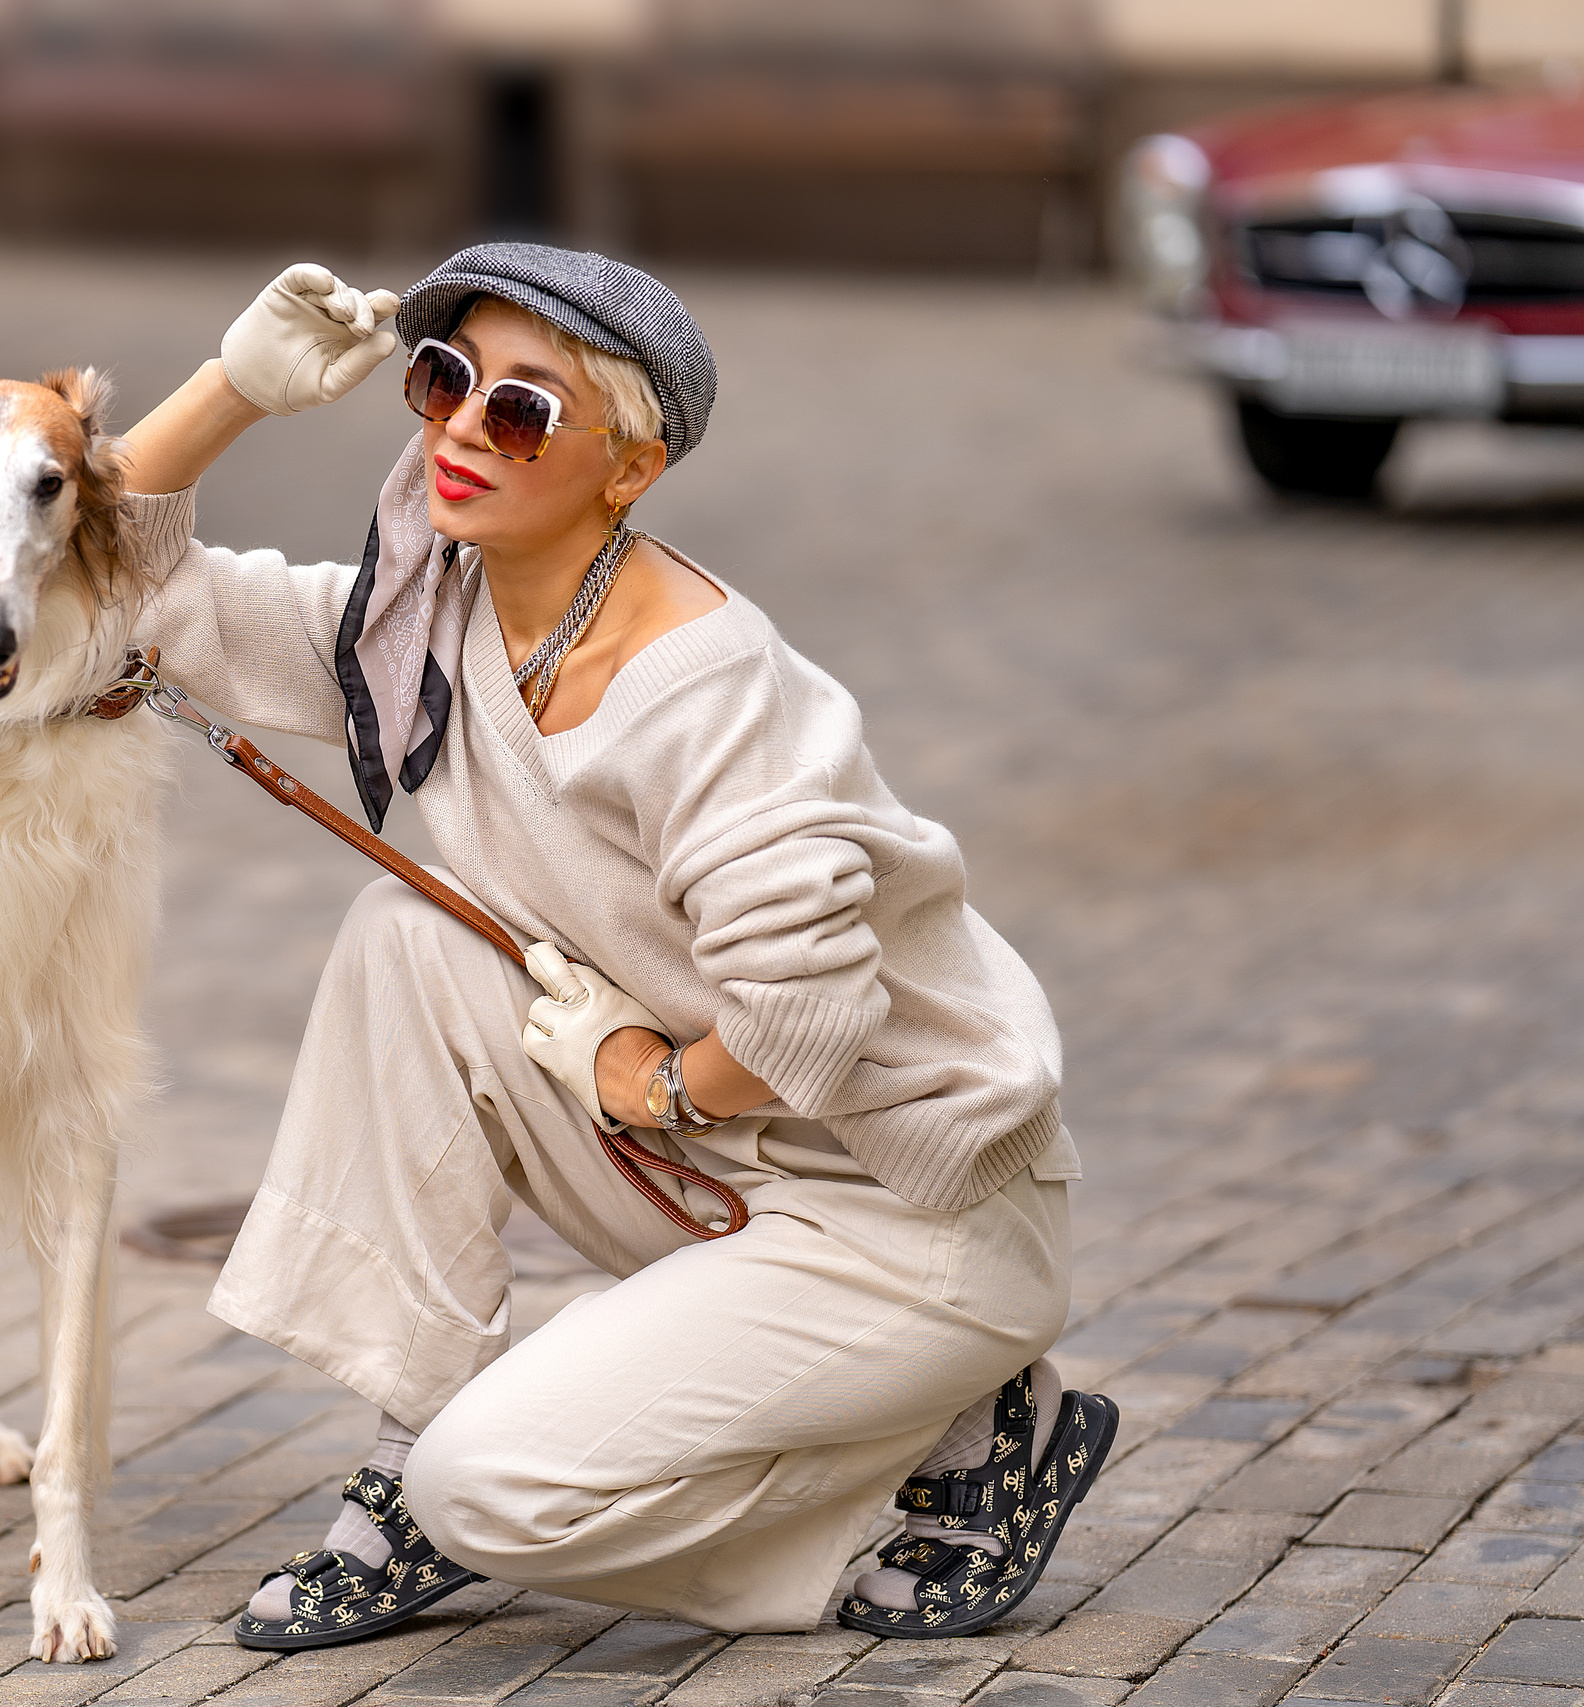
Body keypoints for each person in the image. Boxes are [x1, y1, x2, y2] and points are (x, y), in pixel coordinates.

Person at [110, 248, 1118, 1648]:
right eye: (445, 379)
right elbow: (127, 587)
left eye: (521, 410)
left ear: (628, 471)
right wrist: (232, 390)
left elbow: (811, 1018)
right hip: (726, 1165)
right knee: (409, 937)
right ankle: (410, 1465)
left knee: (500, 1497)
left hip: (904, 1211)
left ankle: (964, 1435)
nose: (463, 427)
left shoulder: (708, 690)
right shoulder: (430, 613)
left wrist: (649, 1084)